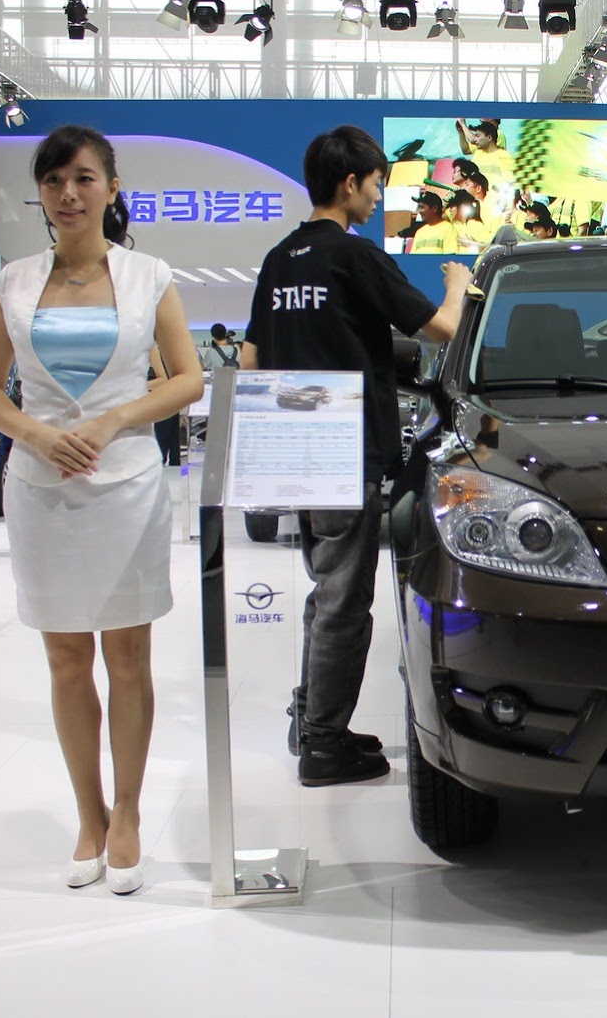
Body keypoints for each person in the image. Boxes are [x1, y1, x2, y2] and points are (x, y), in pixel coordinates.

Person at [0, 125, 203, 896]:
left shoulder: (148, 276)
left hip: (126, 484)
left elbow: (187, 378)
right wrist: (37, 433)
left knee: (128, 657)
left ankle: (128, 811)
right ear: (40, 194)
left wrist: (113, 420)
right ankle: (89, 813)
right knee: (66, 660)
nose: (67, 194)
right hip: (41, 488)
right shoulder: (12, 282)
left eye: (82, 178)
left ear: (110, 186)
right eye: (52, 181)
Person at [239, 124, 471, 787]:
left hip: (293, 448)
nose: (377, 198)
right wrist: (459, 281)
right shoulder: (355, 256)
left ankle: (310, 717)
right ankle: (323, 743)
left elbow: (251, 361)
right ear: (350, 183)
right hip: (346, 449)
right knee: (344, 598)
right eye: (375, 185)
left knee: (327, 589)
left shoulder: (279, 260)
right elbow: (444, 329)